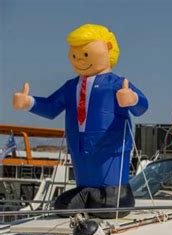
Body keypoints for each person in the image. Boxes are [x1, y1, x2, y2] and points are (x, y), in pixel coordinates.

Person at [11, 24, 148, 218]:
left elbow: (142, 106)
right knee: (79, 184)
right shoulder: (71, 86)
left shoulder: (116, 84)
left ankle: (117, 194)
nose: (78, 60)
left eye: (85, 55)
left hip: (109, 146)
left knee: (109, 192)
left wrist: (132, 98)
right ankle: (85, 193)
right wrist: (29, 102)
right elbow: (51, 107)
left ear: (108, 48)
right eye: (75, 56)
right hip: (79, 147)